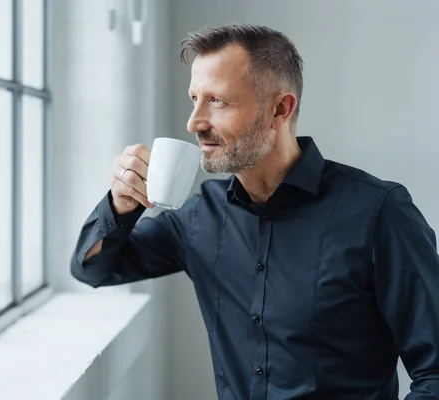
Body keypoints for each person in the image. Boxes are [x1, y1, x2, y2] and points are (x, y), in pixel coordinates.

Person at [70, 24, 439, 400]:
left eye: (217, 101)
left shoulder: (378, 213)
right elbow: (93, 267)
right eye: (194, 98)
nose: (194, 122)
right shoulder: (202, 215)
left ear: (280, 108)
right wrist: (122, 203)